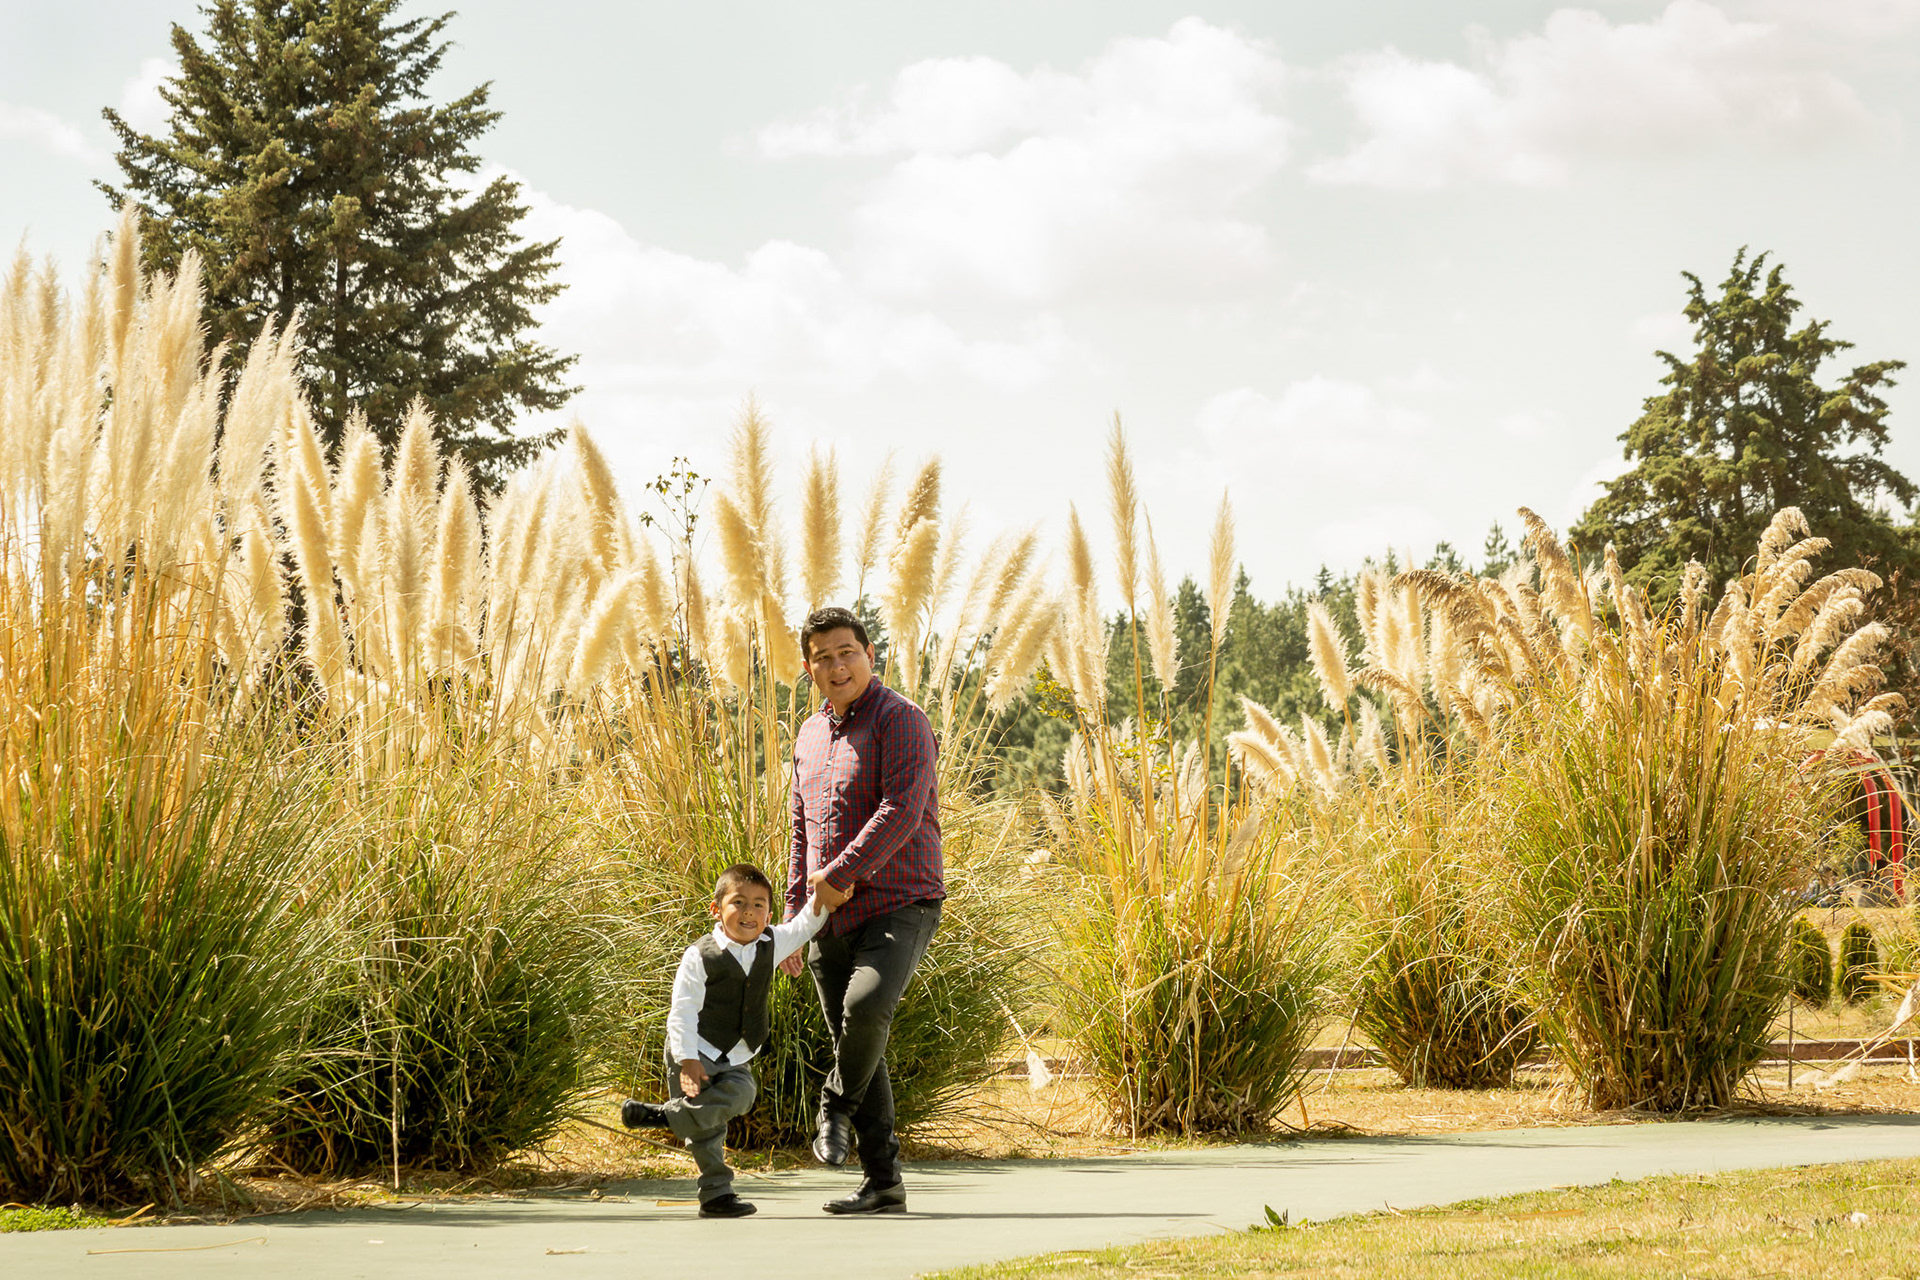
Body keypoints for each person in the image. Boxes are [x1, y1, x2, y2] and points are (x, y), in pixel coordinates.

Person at [785, 605, 944, 1216]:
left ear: (869, 655)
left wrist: (841, 875)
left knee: (865, 1007)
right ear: (809, 667)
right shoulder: (809, 734)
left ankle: (833, 1106)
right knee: (857, 1039)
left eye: (846, 651)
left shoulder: (901, 718)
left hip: (902, 900)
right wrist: (799, 917)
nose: (836, 664)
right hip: (826, 916)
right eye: (823, 657)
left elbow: (902, 810)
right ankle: (884, 1183)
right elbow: (801, 831)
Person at [621, 863, 831, 1218]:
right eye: (738, 903)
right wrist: (688, 1060)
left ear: (768, 913)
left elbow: (806, 924)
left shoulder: (772, 943)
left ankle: (664, 1118)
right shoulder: (699, 956)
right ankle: (716, 1197)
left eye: (759, 904)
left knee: (743, 1093)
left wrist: (824, 896)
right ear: (716, 910)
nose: (749, 911)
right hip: (694, 1050)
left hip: (736, 1053)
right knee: (708, 1134)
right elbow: (682, 1012)